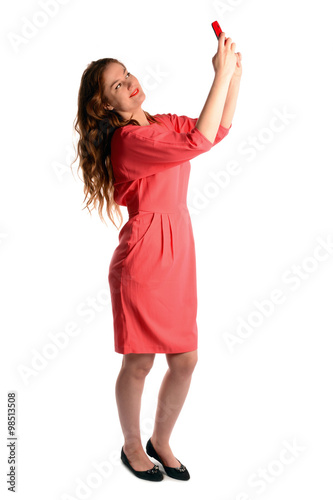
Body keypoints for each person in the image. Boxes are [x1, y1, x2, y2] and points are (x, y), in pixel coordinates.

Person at [72, 30, 242, 482]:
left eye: (126, 74)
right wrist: (220, 75)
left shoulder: (159, 122)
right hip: (145, 255)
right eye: (115, 85)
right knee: (141, 361)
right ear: (106, 105)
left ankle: (160, 440)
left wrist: (232, 76)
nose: (129, 83)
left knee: (185, 358)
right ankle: (131, 445)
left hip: (178, 249)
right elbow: (199, 142)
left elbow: (217, 130)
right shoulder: (128, 141)